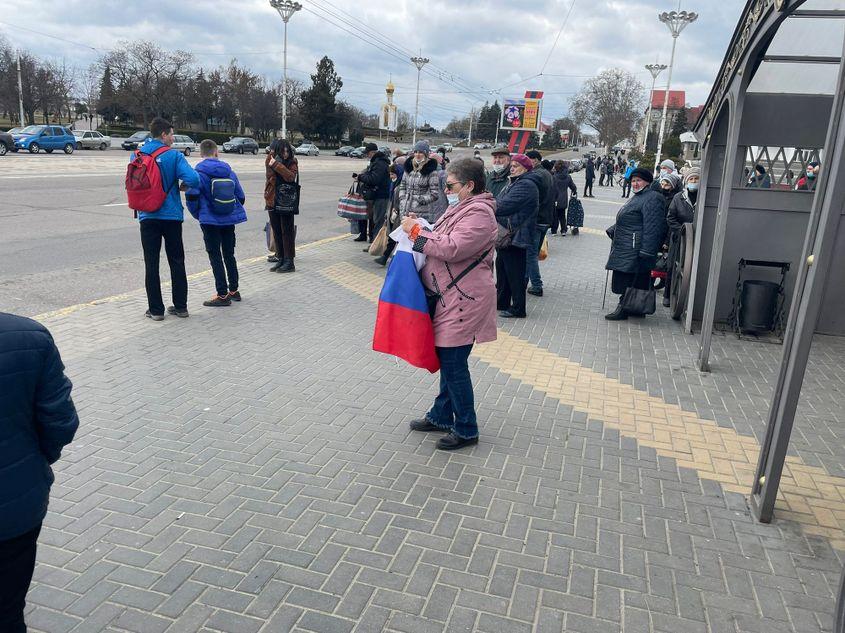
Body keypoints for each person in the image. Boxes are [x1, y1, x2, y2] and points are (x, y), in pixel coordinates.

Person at [402, 158, 498, 450]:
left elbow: (452, 248)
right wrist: (421, 226)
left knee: (454, 365)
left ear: (470, 185)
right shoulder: (462, 207)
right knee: (449, 360)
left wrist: (415, 234)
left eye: (451, 185)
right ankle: (442, 415)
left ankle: (467, 428)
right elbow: (442, 235)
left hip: (463, 300)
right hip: (450, 296)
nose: (447, 190)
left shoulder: (479, 214)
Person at [0, 313, 78, 631]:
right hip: (14, 510)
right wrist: (33, 464)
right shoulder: (29, 336)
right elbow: (60, 423)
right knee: (6, 612)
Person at [135, 117, 200, 321]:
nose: (173, 137)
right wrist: (183, 187)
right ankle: (180, 307)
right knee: (177, 261)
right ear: (163, 134)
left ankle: (155, 310)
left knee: (151, 263)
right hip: (171, 215)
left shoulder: (137, 154)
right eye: (171, 134)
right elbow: (194, 179)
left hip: (147, 215)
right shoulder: (174, 156)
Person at [185, 140, 247, 306]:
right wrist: (230, 209)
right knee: (229, 254)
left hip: (209, 221)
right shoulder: (230, 172)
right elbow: (241, 197)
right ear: (216, 152)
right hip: (228, 219)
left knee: (215, 255)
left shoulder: (198, 173)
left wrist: (199, 214)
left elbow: (192, 197)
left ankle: (222, 294)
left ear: (201, 153)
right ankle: (234, 290)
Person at [604, 167, 667, 321]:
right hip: (628, 245)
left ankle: (624, 308)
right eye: (633, 181)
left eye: (638, 180)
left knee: (630, 279)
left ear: (647, 182)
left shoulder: (652, 198)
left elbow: (653, 227)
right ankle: (636, 308)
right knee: (632, 278)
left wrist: (647, 251)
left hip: (636, 247)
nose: (635, 184)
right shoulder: (638, 197)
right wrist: (613, 229)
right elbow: (632, 218)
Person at [495, 153, 541, 319]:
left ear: (526, 168)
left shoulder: (526, 185)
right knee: (502, 269)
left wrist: (487, 204)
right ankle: (502, 301)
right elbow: (499, 202)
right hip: (509, 235)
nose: (512, 168)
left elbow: (502, 206)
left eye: (516, 166)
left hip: (516, 236)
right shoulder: (514, 182)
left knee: (515, 273)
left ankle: (518, 308)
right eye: (512, 166)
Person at [381, 141, 444, 262]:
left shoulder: (431, 171)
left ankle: (419, 268)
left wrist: (419, 199)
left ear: (426, 154)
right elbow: (402, 186)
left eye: (421, 152)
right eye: (416, 152)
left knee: (417, 244)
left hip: (421, 214)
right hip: (405, 211)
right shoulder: (408, 168)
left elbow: (434, 194)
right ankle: (402, 266)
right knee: (404, 243)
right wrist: (403, 199)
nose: (418, 154)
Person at [664, 167, 699, 307]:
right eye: (691, 179)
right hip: (679, 239)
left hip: (698, 239)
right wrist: (683, 232)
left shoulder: (704, 198)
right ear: (686, 181)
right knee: (673, 266)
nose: (694, 181)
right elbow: (671, 217)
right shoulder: (678, 198)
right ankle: (668, 294)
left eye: (696, 179)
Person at [265, 139, 299, 272]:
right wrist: (273, 161)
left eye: (287, 150)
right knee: (277, 231)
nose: (285, 153)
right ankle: (281, 258)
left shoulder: (293, 162)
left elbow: (290, 177)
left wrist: (277, 165)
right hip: (272, 199)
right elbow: (270, 176)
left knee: (287, 232)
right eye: (282, 150)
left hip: (287, 201)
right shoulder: (270, 160)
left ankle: (289, 261)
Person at [524, 150, 554, 297]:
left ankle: (537, 285)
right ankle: (523, 281)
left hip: (537, 220)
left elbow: (533, 198)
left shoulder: (535, 175)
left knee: (530, 255)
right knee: (532, 254)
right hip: (545, 220)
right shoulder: (547, 174)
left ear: (535, 160)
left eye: (528, 159)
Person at [355, 143, 391, 248]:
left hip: (381, 196)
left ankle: (376, 246)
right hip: (379, 195)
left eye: (367, 154)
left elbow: (375, 179)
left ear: (372, 152)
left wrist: (361, 177)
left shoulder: (379, 163)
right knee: (376, 221)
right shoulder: (379, 162)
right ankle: (375, 245)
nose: (367, 156)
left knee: (378, 222)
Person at [551, 160, 577, 235]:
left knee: (555, 216)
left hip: (555, 199)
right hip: (564, 199)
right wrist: (574, 191)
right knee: (562, 216)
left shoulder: (554, 177)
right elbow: (573, 187)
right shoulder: (568, 177)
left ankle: (554, 231)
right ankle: (563, 230)